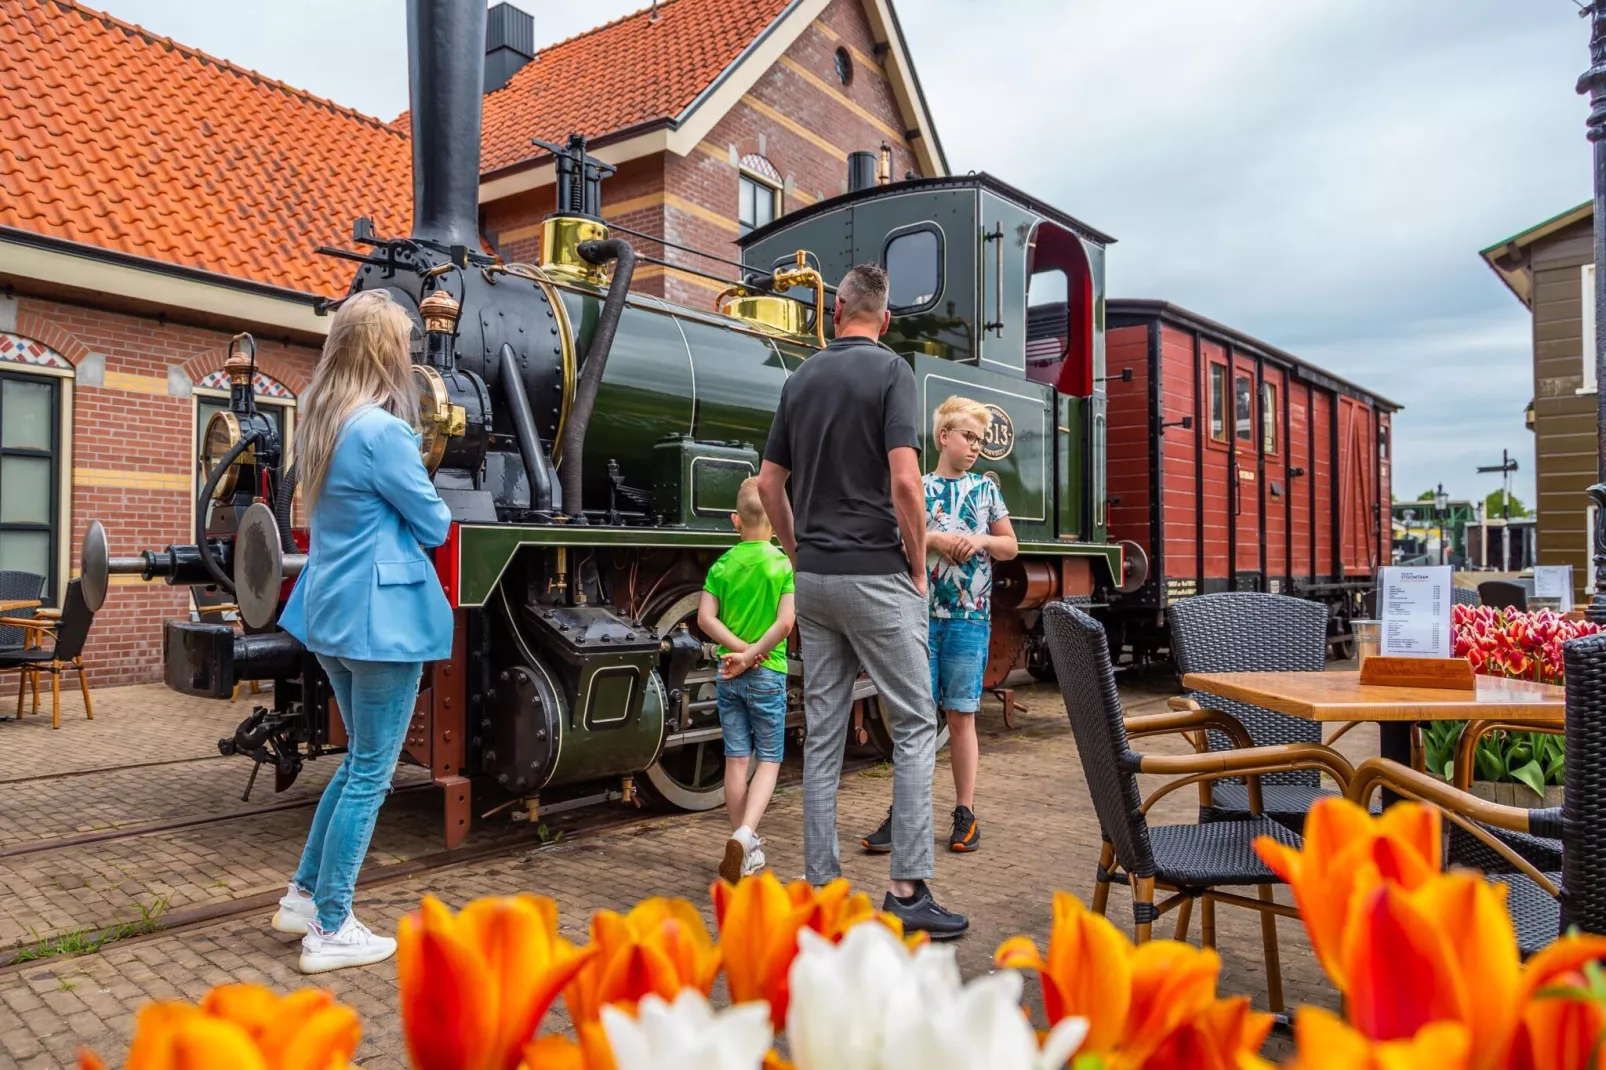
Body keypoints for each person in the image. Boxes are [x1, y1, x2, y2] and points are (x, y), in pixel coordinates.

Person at [756, 263, 968, 939]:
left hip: (814, 579)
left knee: (821, 736)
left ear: (836, 308)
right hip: (877, 574)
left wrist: (797, 555)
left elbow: (767, 487)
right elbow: (907, 482)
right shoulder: (891, 372)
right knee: (912, 727)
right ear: (883, 319)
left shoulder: (801, 378)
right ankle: (906, 890)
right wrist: (916, 561)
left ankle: (821, 890)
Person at [270, 289, 454, 974]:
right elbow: (434, 523)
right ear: (385, 353)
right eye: (403, 345)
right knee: (372, 772)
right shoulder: (380, 432)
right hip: (380, 621)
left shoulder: (323, 421)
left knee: (356, 764)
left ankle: (303, 897)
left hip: (331, 612)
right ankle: (333, 926)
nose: (409, 355)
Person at [862, 396, 1016, 854]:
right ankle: (904, 812)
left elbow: (1010, 546)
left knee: (962, 715)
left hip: (970, 618)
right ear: (943, 436)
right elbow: (893, 538)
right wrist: (936, 538)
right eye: (968, 437)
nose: (975, 447)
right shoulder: (919, 487)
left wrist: (979, 538)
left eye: (981, 440)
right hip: (919, 617)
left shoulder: (986, 491)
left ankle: (965, 814)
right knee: (915, 719)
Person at [698, 477, 796, 883]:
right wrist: (753, 654)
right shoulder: (782, 564)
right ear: (774, 520)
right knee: (769, 760)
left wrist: (738, 653)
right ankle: (745, 834)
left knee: (736, 759)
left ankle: (745, 844)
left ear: (735, 520)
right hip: (766, 672)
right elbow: (786, 624)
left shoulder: (721, 564)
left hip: (728, 674)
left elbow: (705, 619)